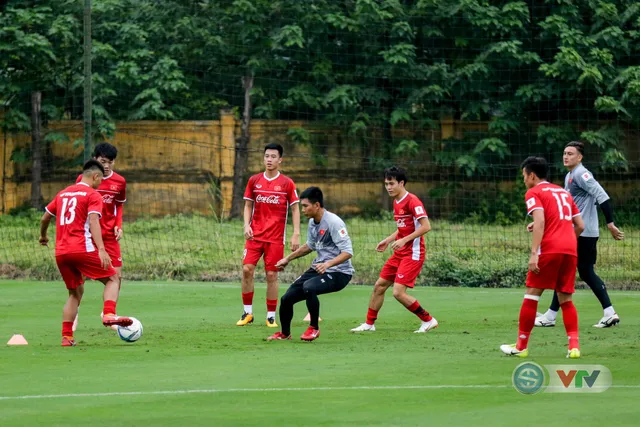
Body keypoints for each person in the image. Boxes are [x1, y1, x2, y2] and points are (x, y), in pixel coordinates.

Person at [39, 160, 133, 347]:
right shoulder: (92, 194)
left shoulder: (63, 193)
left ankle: (67, 337)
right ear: (95, 176)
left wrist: (43, 237)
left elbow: (45, 217)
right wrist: (101, 249)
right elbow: (93, 222)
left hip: (61, 252)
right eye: (100, 180)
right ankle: (108, 314)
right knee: (113, 278)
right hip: (83, 249)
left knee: (74, 294)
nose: (100, 184)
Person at [500, 156, 585, 359]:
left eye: (524, 176)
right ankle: (574, 347)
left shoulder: (534, 192)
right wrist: (565, 242)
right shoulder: (563, 192)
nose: (523, 180)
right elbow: (580, 225)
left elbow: (539, 222)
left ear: (531, 175)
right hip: (570, 250)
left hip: (549, 250)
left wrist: (534, 253)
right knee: (565, 298)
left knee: (532, 294)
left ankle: (521, 346)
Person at [535, 141, 624, 329]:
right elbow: (566, 207)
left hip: (582, 233)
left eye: (570, 153)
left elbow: (603, 196)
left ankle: (550, 316)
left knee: (564, 270)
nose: (566, 156)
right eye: (564, 153)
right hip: (584, 232)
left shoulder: (581, 175)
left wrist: (610, 223)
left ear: (580, 157)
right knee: (585, 272)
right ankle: (609, 313)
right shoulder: (570, 176)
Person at [351, 166, 438, 334]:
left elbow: (426, 226)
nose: (388, 187)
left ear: (401, 183)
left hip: (413, 253)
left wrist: (404, 240)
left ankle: (428, 320)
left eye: (391, 183)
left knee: (398, 293)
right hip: (400, 253)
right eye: (386, 184)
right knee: (379, 286)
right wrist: (388, 240)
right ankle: (369, 324)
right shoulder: (396, 202)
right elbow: (403, 227)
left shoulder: (413, 201)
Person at [266, 187, 354, 342]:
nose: (303, 210)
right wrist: (288, 258)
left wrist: (328, 264)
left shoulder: (334, 222)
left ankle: (314, 328)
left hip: (340, 272)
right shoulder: (313, 222)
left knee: (309, 287)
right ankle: (285, 333)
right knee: (286, 299)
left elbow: (348, 252)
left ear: (317, 205)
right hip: (320, 268)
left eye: (305, 206)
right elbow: (310, 245)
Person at [238, 143, 301, 327]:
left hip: (275, 238)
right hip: (255, 236)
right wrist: (246, 225)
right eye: (267, 156)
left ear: (280, 160)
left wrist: (296, 233)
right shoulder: (254, 180)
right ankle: (247, 313)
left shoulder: (287, 183)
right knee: (247, 269)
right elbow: (248, 205)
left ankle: (271, 315)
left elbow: (295, 209)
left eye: (273, 156)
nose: (269, 160)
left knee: (272, 275)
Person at [73, 142, 127, 331]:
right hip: (88, 235)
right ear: (95, 159)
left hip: (109, 237)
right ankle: (74, 312)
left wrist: (118, 226)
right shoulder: (85, 179)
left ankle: (109, 314)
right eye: (103, 161)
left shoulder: (119, 182)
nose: (106, 166)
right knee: (79, 277)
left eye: (110, 163)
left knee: (117, 276)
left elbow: (118, 205)